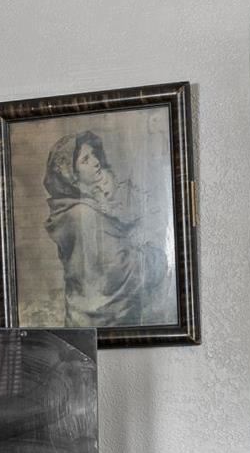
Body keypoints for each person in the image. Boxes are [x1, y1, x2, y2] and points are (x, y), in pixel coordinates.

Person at [40, 129, 169, 327]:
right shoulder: (82, 215)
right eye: (85, 160)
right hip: (107, 323)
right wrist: (158, 259)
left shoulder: (74, 210)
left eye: (93, 155)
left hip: (84, 320)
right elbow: (122, 272)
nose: (96, 162)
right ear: (71, 175)